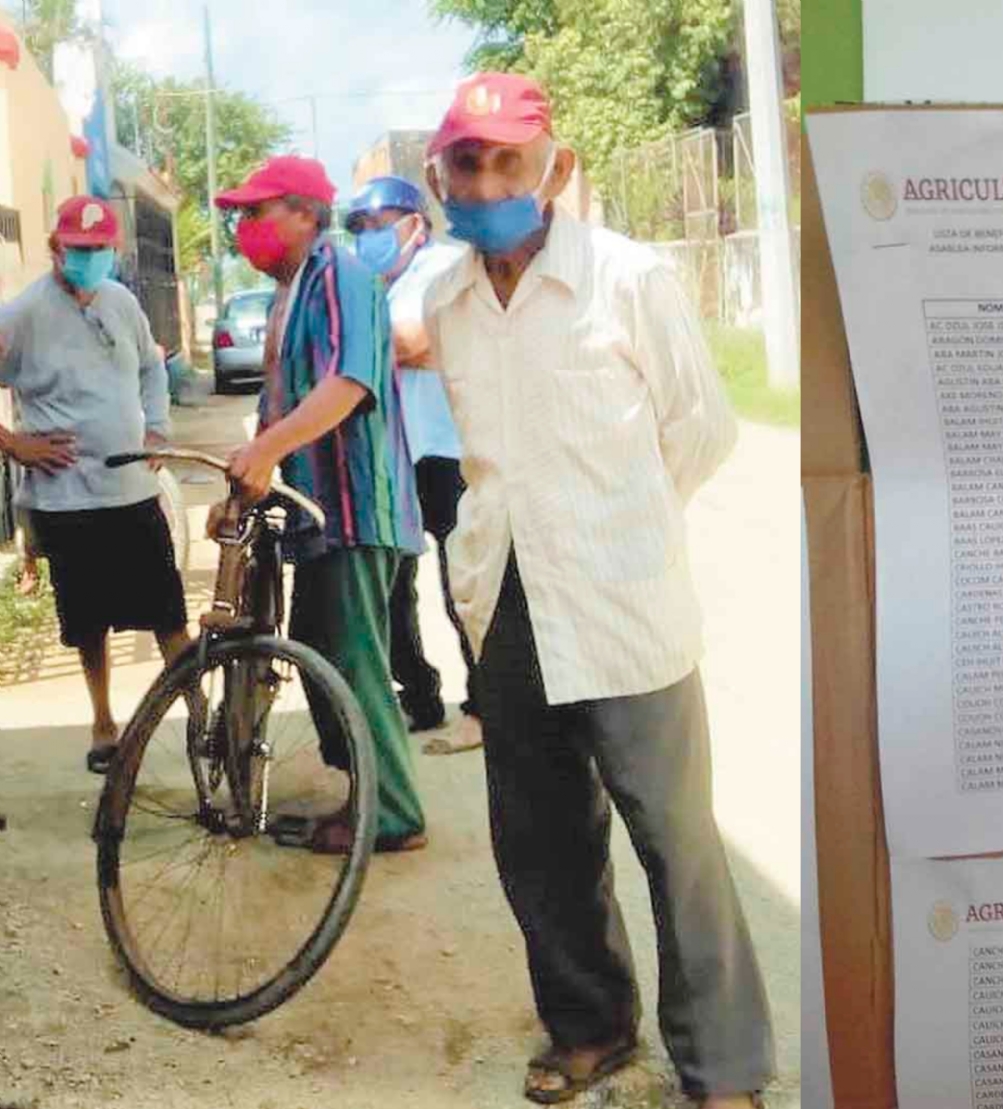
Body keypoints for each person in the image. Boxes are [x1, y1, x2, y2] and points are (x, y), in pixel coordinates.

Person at [422, 74, 769, 1107]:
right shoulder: (446, 302)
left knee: (677, 842)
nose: (484, 182)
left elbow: (700, 429)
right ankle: (589, 1023)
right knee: (539, 839)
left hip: (625, 608)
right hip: (507, 601)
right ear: (439, 173)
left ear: (555, 168)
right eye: (465, 163)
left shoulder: (628, 280)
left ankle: (724, 1063)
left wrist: (619, 530)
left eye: (506, 161)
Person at [210, 155, 428, 853]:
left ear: (305, 212)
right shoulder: (289, 294)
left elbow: (349, 381)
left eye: (257, 211)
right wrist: (244, 483)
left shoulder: (342, 276)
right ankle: (364, 785)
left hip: (358, 506)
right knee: (318, 652)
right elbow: (282, 408)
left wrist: (270, 448)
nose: (245, 228)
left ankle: (392, 812)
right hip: (316, 511)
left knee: (354, 662)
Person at [0, 197, 191, 773]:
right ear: (56, 249)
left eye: (99, 249)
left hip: (132, 489)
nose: (88, 259)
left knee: (169, 615)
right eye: (78, 250)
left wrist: (157, 427)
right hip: (66, 501)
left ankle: (201, 713)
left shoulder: (122, 301)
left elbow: (150, 368)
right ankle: (104, 722)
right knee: (88, 622)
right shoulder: (23, 314)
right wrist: (13, 444)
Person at [343, 176, 483, 754]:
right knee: (394, 586)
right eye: (361, 231)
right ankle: (419, 697)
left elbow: (419, 342)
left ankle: (485, 707)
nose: (369, 239)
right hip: (392, 451)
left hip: (450, 451)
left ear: (415, 225)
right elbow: (401, 346)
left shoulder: (448, 268)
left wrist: (373, 341)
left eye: (379, 227)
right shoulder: (368, 282)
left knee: (464, 584)